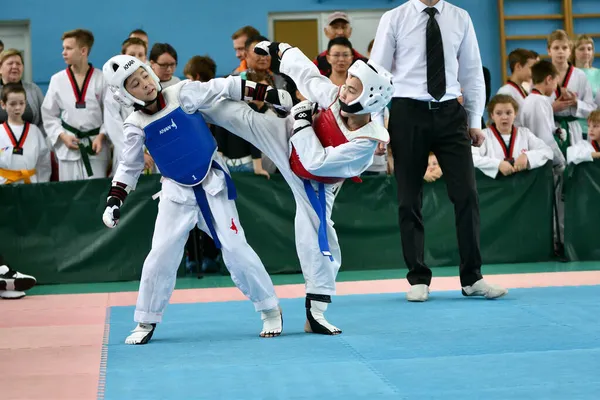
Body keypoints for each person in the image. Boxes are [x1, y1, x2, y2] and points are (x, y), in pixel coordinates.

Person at [197, 40, 394, 335]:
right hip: (285, 139)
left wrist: (301, 118)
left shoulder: (364, 144)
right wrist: (279, 48)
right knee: (238, 116)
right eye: (347, 85)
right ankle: (184, 100)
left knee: (317, 235)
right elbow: (309, 76)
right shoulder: (334, 97)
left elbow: (314, 162)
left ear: (371, 100)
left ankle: (316, 312)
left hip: (316, 184)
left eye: (352, 90)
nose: (343, 91)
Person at [101, 55, 291, 344]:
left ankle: (269, 309)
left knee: (236, 247)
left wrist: (268, 93)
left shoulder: (182, 93)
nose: (146, 85)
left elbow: (225, 87)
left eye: (145, 76)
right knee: (159, 256)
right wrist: (115, 199)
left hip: (212, 183)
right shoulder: (135, 124)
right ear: (126, 94)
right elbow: (130, 165)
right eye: (135, 84)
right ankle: (146, 320)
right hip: (175, 193)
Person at [369, 0, 507, 301]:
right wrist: (377, 127)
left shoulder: (460, 17)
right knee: (408, 198)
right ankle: (418, 278)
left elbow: (472, 72)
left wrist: (474, 120)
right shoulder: (394, 18)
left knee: (467, 195)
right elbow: (376, 75)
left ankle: (473, 278)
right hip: (407, 113)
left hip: (449, 113)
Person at [472, 94, 553, 179]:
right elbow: (472, 158)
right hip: (494, 188)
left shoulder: (525, 134)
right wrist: (497, 164)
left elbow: (547, 151)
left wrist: (528, 156)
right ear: (492, 115)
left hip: (522, 187)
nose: (504, 117)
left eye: (508, 113)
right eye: (499, 113)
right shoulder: (483, 136)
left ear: (515, 114)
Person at [0, 83, 51, 184]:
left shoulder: (35, 131)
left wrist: (41, 184)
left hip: (30, 184)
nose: (18, 108)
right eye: (13, 104)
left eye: (21, 103)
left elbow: (43, 162)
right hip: (4, 185)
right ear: (3, 105)